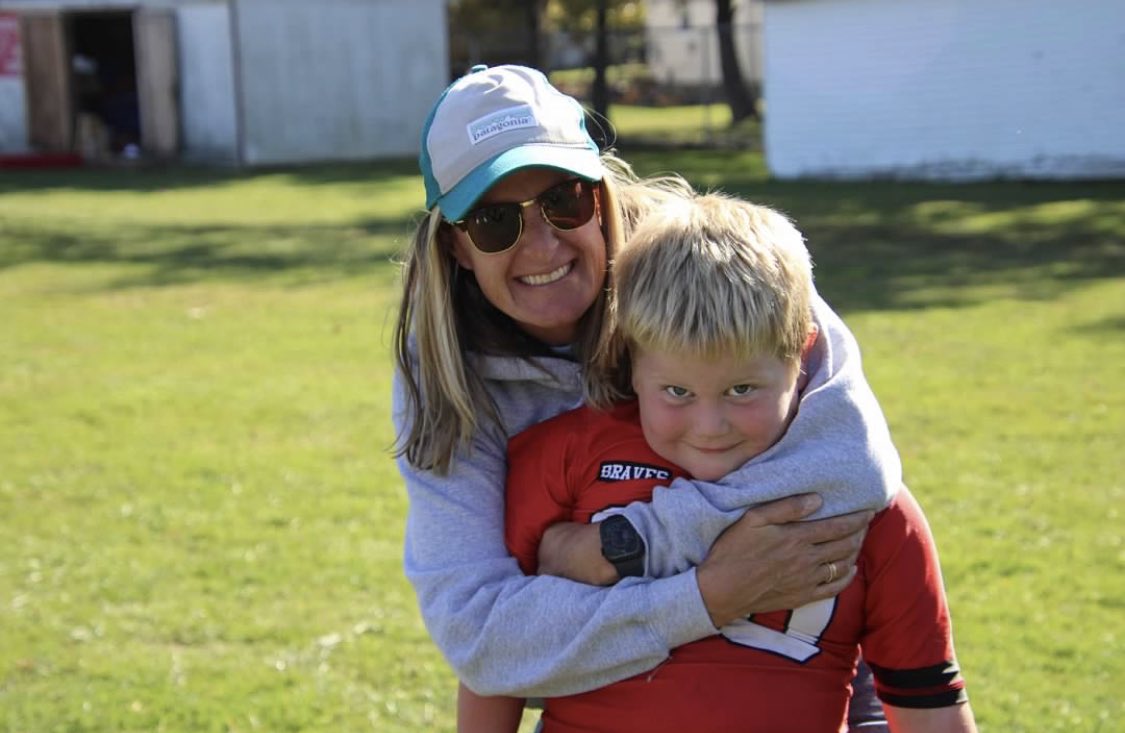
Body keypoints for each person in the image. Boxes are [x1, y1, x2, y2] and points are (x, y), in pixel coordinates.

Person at [394, 64, 899, 725]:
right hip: (614, 699)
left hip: (802, 657)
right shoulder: (441, 368)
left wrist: (622, 544)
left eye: (563, 200)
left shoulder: (710, 262)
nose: (542, 243)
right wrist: (708, 593)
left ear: (599, 192)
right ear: (457, 247)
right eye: (494, 221)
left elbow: (850, 466)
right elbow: (482, 638)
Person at [456, 193, 977, 732]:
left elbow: (929, 705)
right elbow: (492, 656)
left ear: (802, 353)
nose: (709, 427)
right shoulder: (563, 458)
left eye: (742, 389)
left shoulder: (867, 507)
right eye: (677, 391)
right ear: (629, 357)